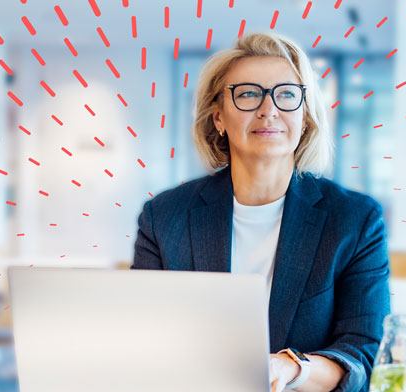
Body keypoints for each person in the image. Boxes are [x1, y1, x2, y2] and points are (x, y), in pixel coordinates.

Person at [132, 32, 390, 392]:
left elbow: (364, 356)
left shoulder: (354, 219)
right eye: (249, 94)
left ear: (305, 117)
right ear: (218, 117)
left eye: (286, 95)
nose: (269, 109)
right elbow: (142, 339)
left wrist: (292, 367)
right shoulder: (164, 217)